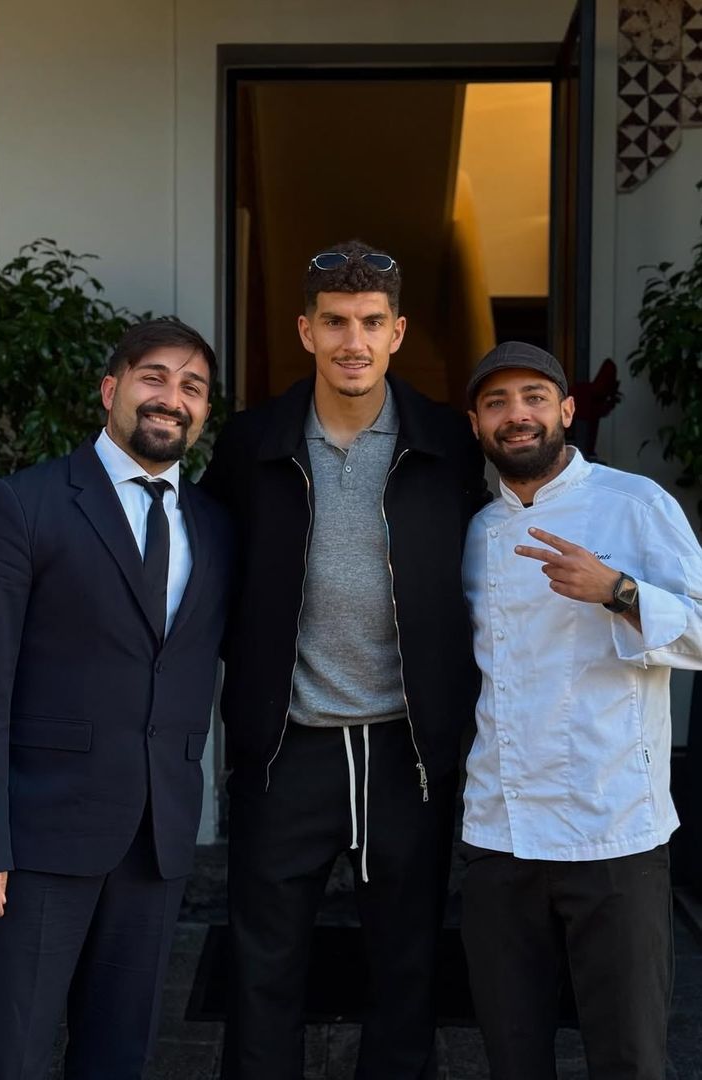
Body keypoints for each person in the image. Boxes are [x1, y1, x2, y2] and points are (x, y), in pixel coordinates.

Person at [200, 239, 488, 1079]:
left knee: (405, 968)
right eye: (334, 323)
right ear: (305, 330)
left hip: (409, 750)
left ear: (397, 332)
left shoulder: (447, 442)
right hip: (289, 742)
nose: (351, 341)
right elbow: (214, 570)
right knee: (263, 965)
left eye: (370, 322)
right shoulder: (253, 442)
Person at [0, 318, 232, 1079]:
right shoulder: (24, 505)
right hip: (36, 838)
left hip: (156, 839)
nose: (171, 399)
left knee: (120, 1056)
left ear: (205, 412)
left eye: (192, 387)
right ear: (111, 388)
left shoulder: (215, 527)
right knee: (9, 1055)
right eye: (154, 377)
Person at [460, 340, 702, 1080]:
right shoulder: (474, 534)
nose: (517, 416)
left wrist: (620, 591)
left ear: (566, 411)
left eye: (534, 397)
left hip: (614, 831)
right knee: (513, 1054)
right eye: (497, 403)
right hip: (499, 833)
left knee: (628, 1057)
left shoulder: (637, 505)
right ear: (476, 424)